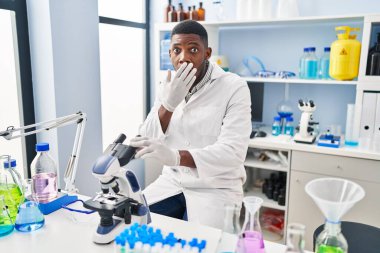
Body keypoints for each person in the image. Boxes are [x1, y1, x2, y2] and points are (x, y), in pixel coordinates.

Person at [130, 20, 251, 229]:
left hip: (216, 188)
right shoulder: (167, 85)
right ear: (170, 54)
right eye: (176, 50)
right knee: (132, 220)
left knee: (204, 243)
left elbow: (232, 153)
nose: (183, 57)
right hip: (173, 182)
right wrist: (168, 103)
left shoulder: (234, 87)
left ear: (207, 53)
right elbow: (145, 138)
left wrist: (177, 156)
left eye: (193, 49)